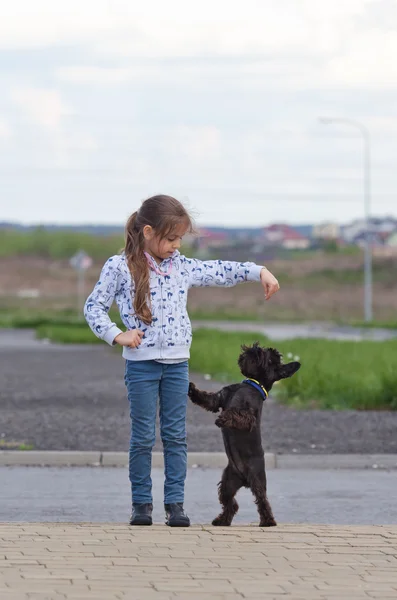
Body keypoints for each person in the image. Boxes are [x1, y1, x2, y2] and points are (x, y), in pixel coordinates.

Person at [84, 195, 280, 527]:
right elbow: (94, 308)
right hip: (141, 365)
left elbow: (220, 270)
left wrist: (258, 270)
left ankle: (175, 504)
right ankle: (141, 505)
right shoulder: (119, 266)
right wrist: (118, 335)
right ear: (148, 232)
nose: (176, 245)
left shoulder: (182, 266)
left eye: (180, 239)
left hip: (177, 364)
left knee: (176, 435)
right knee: (144, 436)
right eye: (171, 238)